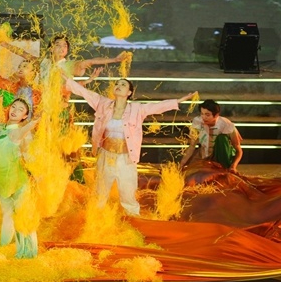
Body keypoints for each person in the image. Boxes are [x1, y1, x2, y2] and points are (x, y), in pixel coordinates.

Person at [66, 77, 196, 216]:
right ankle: (95, 220)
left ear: (129, 93)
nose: (118, 85)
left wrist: (179, 100)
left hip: (126, 159)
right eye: (117, 83)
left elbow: (157, 107)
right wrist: (66, 79)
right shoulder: (103, 103)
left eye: (123, 84)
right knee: (99, 193)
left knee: (128, 195)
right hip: (106, 156)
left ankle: (134, 219)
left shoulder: (137, 109)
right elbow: (85, 92)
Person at [0, 97, 40, 258]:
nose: (15, 111)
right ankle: (4, 245)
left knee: (22, 216)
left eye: (20, 110)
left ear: (24, 116)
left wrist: (34, 121)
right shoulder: (1, 128)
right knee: (7, 214)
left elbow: (24, 130)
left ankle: (28, 253)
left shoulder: (17, 132)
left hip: (18, 181)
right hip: (3, 180)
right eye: (14, 107)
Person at [180, 99, 243, 172]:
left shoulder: (226, 124)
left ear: (216, 115)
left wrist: (233, 166)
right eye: (202, 114)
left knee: (221, 138)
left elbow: (239, 150)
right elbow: (192, 146)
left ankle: (224, 168)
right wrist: (182, 163)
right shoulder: (197, 122)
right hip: (203, 155)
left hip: (221, 157)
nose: (204, 117)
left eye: (207, 115)